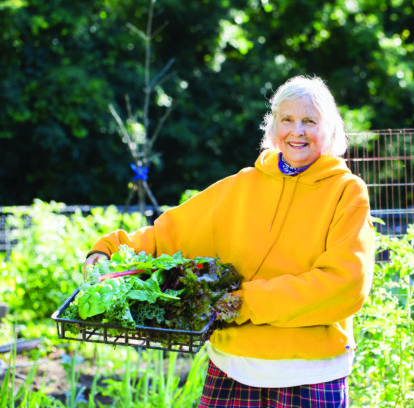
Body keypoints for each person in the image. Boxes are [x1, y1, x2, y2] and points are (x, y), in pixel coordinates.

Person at [84, 75, 375, 408]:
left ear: (331, 130)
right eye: (287, 120)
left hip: (310, 372)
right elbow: (168, 234)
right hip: (232, 367)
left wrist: (246, 302)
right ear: (273, 128)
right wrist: (107, 249)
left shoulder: (346, 192)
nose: (297, 131)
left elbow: (344, 284)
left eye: (310, 121)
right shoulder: (242, 185)